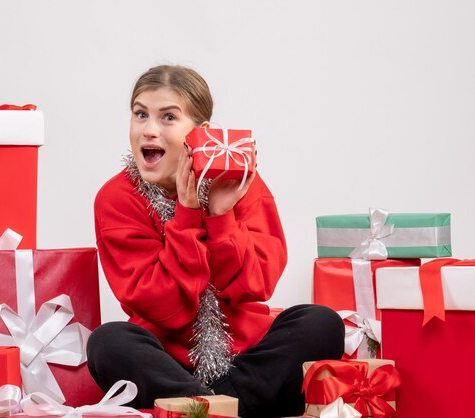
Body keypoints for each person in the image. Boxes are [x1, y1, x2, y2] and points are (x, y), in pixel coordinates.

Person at [87, 64, 344, 418]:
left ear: (200, 132)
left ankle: (207, 408)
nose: (149, 130)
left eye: (168, 118)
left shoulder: (240, 184)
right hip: (165, 364)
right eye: (140, 114)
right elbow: (159, 303)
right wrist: (188, 215)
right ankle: (237, 407)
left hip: (246, 358)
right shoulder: (116, 198)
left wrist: (222, 217)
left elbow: (258, 284)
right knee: (108, 343)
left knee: (321, 322)